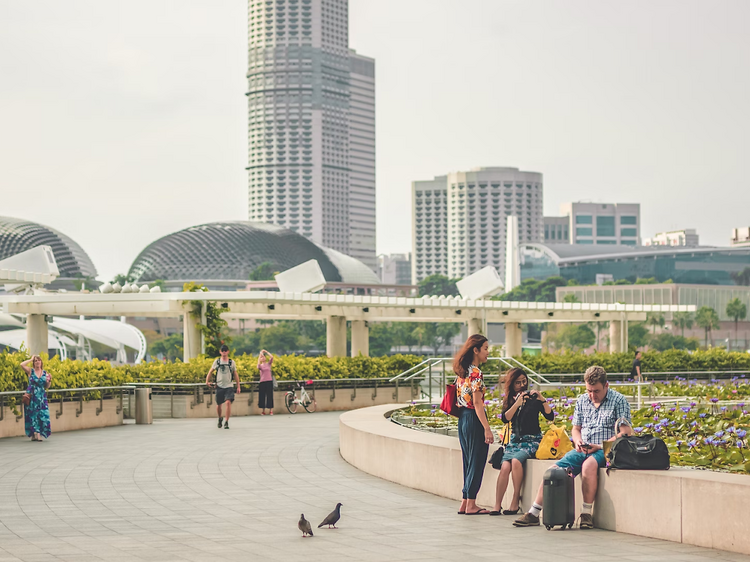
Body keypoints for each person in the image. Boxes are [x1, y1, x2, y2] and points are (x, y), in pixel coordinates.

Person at [513, 365, 632, 529]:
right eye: (589, 391)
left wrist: (597, 447)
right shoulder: (583, 400)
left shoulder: (619, 400)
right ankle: (534, 513)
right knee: (553, 471)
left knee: (588, 465)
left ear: (606, 385)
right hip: (583, 447)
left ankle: (586, 514)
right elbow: (576, 429)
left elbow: (625, 432)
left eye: (596, 391)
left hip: (605, 449)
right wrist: (578, 442)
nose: (592, 395)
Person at [491, 368, 554, 516]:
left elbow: (550, 416)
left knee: (516, 461)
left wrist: (542, 399)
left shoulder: (533, 398)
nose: (521, 385)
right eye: (518, 383)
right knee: (505, 466)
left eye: (524, 381)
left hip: (532, 440)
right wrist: (517, 403)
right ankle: (497, 504)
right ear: (512, 384)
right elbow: (505, 418)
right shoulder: (510, 399)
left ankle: (515, 500)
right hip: (515, 440)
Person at [454, 334, 494, 516]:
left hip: (463, 419)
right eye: (485, 348)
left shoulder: (462, 372)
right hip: (474, 418)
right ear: (476, 350)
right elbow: (478, 404)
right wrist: (487, 428)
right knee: (477, 461)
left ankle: (465, 501)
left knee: (468, 461)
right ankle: (471, 504)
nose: (488, 352)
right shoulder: (476, 373)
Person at [205, 344, 241, 429]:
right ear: (220, 352)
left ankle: (227, 421)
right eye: (222, 350)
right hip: (219, 385)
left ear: (228, 351)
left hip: (229, 386)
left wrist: (238, 386)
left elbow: (235, 374)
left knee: (228, 402)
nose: (224, 352)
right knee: (219, 404)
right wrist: (207, 381)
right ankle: (220, 418)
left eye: (225, 350)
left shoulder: (231, 362)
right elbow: (211, 371)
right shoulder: (217, 362)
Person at [20, 355, 51, 441]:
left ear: (41, 362)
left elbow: (47, 386)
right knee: (32, 414)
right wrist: (30, 359)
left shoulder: (45, 373)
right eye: (36, 361)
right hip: (31, 395)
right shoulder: (31, 371)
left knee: (42, 414)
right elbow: (22, 365)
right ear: (33, 363)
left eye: (39, 360)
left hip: (41, 397)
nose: (37, 362)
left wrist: (49, 381)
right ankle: (34, 434)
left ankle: (39, 434)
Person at [257, 349, 274, 415]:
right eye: (261, 357)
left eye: (263, 357)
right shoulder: (260, 366)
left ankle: (271, 410)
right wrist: (260, 354)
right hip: (262, 382)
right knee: (262, 396)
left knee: (270, 396)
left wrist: (266, 352)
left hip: (269, 381)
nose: (262, 358)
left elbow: (272, 357)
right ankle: (263, 410)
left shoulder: (268, 364)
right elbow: (258, 365)